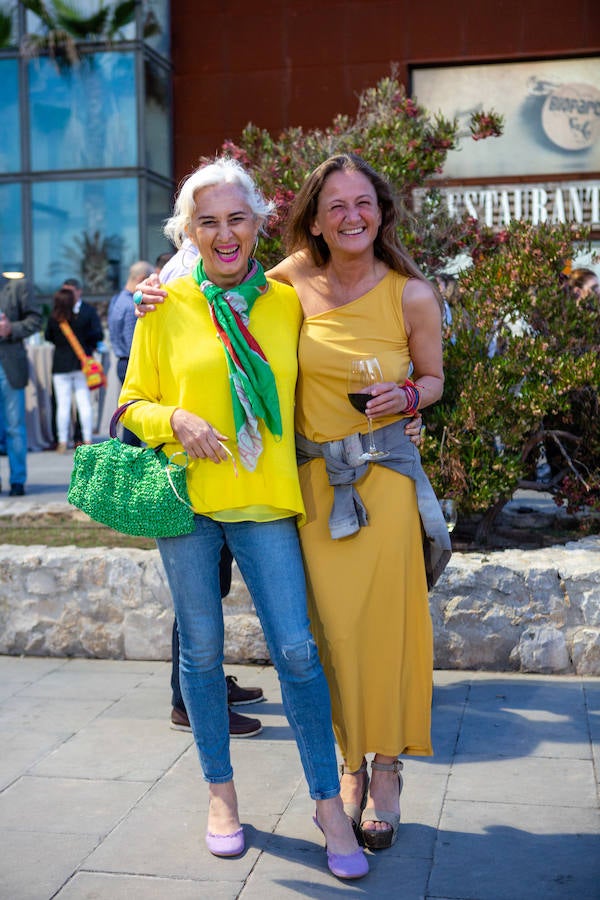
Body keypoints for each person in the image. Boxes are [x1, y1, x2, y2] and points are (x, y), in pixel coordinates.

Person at [133, 154, 447, 852]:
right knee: (262, 648)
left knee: (341, 642)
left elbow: (409, 370)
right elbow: (146, 381)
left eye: (237, 219)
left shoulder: (345, 296)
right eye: (334, 204)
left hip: (328, 490)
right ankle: (281, 787)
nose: (350, 215)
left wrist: (410, 404)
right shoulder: (226, 294)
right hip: (243, 492)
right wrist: (154, 301)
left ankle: (360, 783)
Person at [119, 158, 368, 878]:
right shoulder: (163, 303)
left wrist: (404, 409)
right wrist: (177, 417)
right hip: (187, 505)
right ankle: (221, 796)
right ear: (188, 233)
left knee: (296, 651)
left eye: (237, 218)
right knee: (199, 652)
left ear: (260, 221)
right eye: (208, 222)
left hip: (266, 504)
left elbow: (332, 380)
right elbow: (132, 402)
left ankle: (327, 804)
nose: (225, 234)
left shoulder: (287, 303)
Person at [45, 285, 103, 451]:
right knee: (84, 403)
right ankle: (87, 439)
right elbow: (96, 336)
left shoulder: (54, 318)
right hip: (81, 365)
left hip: (60, 366)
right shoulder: (83, 316)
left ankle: (62, 441)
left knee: (63, 405)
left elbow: (48, 336)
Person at [0, 274, 42, 495]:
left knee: (14, 427)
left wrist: (10, 329)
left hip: (9, 366)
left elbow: (35, 320)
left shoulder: (16, 287)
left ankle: (17, 481)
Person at [107, 261, 155, 446]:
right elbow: (133, 342)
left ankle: (129, 452)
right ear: (141, 279)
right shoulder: (131, 305)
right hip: (131, 361)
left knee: (130, 410)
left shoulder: (117, 300)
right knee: (134, 413)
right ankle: (131, 456)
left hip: (122, 360)